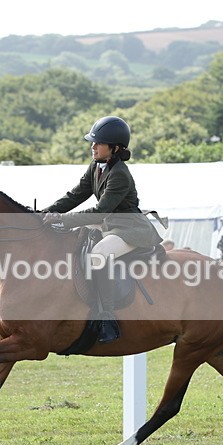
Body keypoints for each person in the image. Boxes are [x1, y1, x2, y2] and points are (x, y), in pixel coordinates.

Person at [42, 115, 161, 344]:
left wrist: (63, 220)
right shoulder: (96, 166)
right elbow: (75, 196)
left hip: (129, 229)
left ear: (114, 148)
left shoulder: (120, 175)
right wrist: (44, 213)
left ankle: (106, 316)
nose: (92, 147)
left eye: (98, 143)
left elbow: (100, 211)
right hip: (108, 225)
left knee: (98, 255)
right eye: (93, 142)